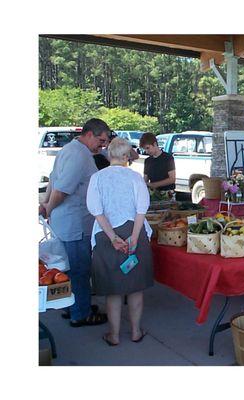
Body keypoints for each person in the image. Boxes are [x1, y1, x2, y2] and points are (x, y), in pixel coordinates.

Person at [40, 118, 111, 327]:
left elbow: (53, 181)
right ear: (89, 134)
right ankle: (80, 314)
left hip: (67, 221)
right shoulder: (79, 155)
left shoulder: (68, 149)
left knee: (69, 268)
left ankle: (73, 305)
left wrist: (45, 205)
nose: (103, 145)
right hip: (75, 223)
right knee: (79, 270)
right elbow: (61, 189)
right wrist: (48, 208)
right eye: (101, 140)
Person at [86, 138, 154, 346]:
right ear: (126, 157)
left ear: (109, 155)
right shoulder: (134, 178)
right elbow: (142, 209)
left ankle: (114, 335)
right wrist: (133, 237)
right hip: (134, 230)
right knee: (135, 288)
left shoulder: (97, 178)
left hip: (105, 235)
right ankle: (135, 331)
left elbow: (96, 210)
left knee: (112, 290)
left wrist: (113, 237)